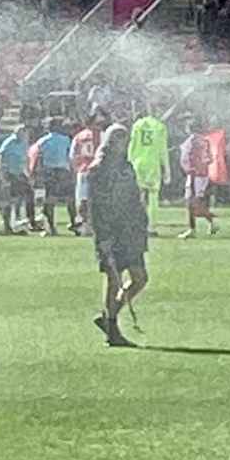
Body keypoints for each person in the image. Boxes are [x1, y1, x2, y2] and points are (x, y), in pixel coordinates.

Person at [89, 123, 148, 348]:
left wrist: (141, 220)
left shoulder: (126, 166)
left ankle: (108, 315)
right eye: (118, 139)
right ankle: (112, 328)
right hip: (111, 232)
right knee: (114, 280)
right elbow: (97, 207)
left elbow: (133, 197)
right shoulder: (99, 169)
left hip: (131, 230)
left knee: (140, 278)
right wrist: (103, 236)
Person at [129, 105, 170, 235]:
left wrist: (129, 161)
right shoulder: (160, 127)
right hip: (152, 164)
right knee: (152, 197)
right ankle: (151, 226)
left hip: (138, 163)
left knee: (139, 195)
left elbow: (132, 145)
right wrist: (167, 170)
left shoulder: (137, 125)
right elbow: (163, 150)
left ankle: (136, 224)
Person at [32, 118, 75, 236]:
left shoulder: (43, 141)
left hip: (49, 171)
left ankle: (51, 227)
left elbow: (39, 157)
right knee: (69, 199)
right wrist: (72, 171)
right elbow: (70, 157)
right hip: (63, 170)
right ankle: (74, 223)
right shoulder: (66, 139)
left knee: (50, 200)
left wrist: (38, 173)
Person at [178, 119, 219, 238]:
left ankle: (196, 227)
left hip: (194, 175)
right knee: (196, 202)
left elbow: (184, 157)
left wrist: (188, 168)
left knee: (191, 203)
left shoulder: (190, 141)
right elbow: (210, 158)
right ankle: (208, 223)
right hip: (203, 175)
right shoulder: (205, 141)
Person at [0, 122, 34, 233]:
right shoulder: (9, 142)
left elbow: (25, 158)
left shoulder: (24, 143)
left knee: (29, 195)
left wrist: (28, 173)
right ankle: (10, 221)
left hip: (20, 172)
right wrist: (2, 173)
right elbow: (1, 157)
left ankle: (29, 219)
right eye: (22, 132)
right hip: (10, 173)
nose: (24, 135)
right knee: (13, 198)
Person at [69, 119, 98, 236]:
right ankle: (92, 224)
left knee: (83, 199)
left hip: (83, 169)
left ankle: (84, 223)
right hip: (97, 171)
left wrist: (75, 168)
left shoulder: (79, 136)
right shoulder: (100, 135)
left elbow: (72, 155)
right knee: (95, 199)